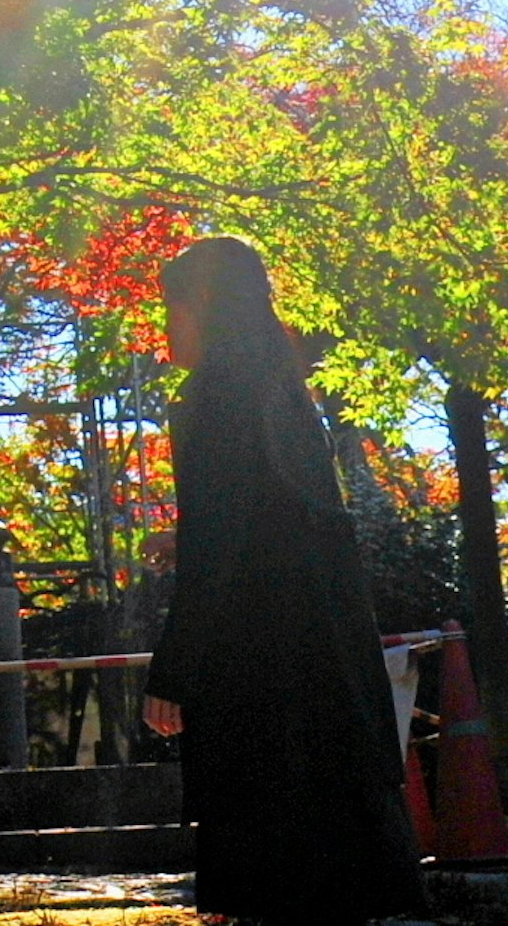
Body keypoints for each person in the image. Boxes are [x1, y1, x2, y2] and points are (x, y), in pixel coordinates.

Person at [138, 237, 421, 926]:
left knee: (270, 878)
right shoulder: (285, 393)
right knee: (335, 880)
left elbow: (220, 544)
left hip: (260, 678)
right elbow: (284, 517)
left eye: (171, 306)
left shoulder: (210, 400)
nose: (166, 328)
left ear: (202, 302)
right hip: (329, 667)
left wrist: (175, 667)